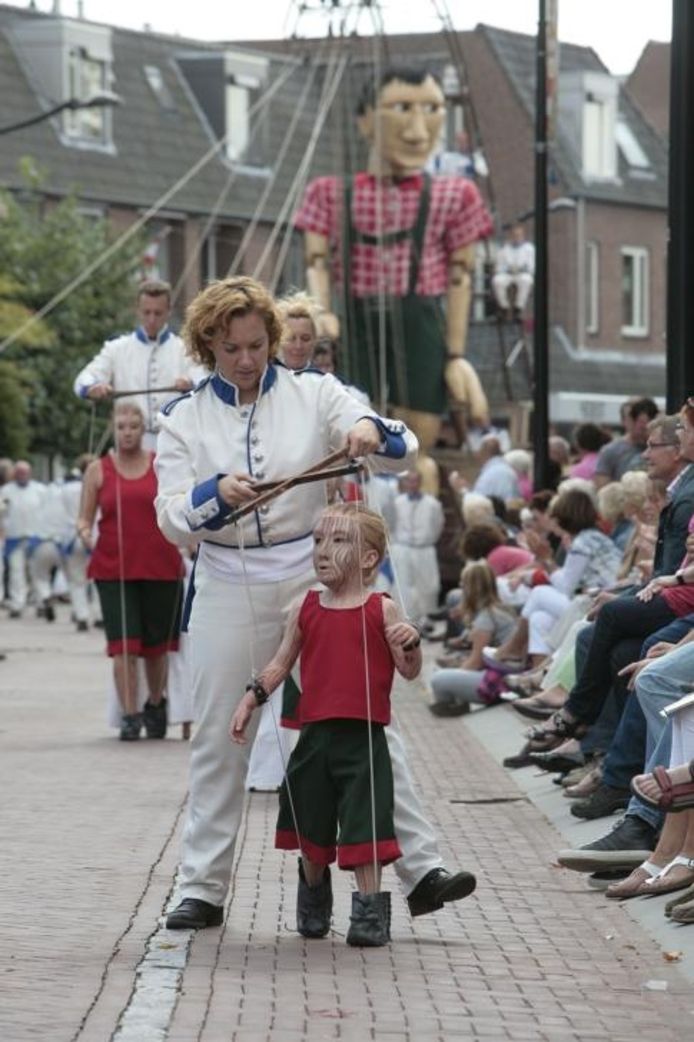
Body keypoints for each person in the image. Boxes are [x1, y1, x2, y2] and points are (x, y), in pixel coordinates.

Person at [155, 276, 476, 930]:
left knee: (363, 721)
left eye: (257, 345)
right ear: (208, 343)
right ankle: (204, 888)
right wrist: (216, 492)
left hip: (316, 575)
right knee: (221, 735)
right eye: (232, 347)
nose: (247, 359)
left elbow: (398, 446)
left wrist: (364, 427)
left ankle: (420, 870)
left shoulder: (314, 391)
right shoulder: (184, 418)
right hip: (226, 575)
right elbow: (170, 518)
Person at [230, 503, 422, 947]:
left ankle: (370, 912)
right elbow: (280, 664)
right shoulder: (306, 607)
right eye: (317, 540)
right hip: (313, 739)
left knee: (366, 827)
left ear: (370, 558)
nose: (322, 551)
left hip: (364, 740)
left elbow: (409, 670)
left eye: (338, 541)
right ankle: (313, 891)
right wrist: (251, 698)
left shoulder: (383, 608)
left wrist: (409, 645)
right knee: (310, 824)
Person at [296, 66, 494, 491]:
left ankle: (411, 493)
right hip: (350, 320)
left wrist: (456, 353)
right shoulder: (329, 193)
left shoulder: (455, 195)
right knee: (346, 414)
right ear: (365, 119)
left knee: (414, 436)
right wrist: (322, 311)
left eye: (432, 109)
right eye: (401, 109)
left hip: (420, 320)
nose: (418, 128)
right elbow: (317, 261)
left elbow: (461, 275)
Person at [78, 403, 184, 741]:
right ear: (113, 428)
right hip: (113, 568)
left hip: (161, 566)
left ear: (143, 429)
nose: (127, 432)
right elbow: (84, 518)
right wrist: (83, 533)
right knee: (123, 645)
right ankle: (129, 713)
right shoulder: (98, 469)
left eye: (133, 426)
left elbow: (178, 505)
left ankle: (156, 704)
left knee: (156, 647)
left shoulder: (161, 464)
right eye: (121, 426)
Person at [73, 279, 202, 448]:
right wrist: (92, 387)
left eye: (158, 313)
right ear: (137, 311)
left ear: (169, 311)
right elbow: (83, 380)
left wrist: (191, 383)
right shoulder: (117, 348)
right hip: (130, 448)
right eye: (146, 312)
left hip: (175, 444)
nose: (151, 319)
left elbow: (204, 378)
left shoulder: (185, 349)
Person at [429, 561, 517, 716]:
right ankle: (457, 701)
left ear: (471, 588)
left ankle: (453, 705)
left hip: (501, 681)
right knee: (451, 667)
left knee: (438, 679)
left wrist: (454, 675)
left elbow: (475, 662)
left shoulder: (487, 616)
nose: (461, 586)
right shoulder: (498, 608)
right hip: (509, 674)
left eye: (464, 583)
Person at [389, 471, 444, 628]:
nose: (412, 484)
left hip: (424, 548)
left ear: (420, 482)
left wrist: (427, 539)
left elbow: (438, 525)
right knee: (403, 584)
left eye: (415, 481)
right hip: (403, 547)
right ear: (405, 483)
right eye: (409, 481)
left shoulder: (433, 504)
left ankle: (426, 617)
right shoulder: (397, 502)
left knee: (428, 585)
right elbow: (392, 523)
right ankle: (405, 618)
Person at [2, 461, 45, 618]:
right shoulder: (6, 491)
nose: (22, 475)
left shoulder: (40, 490)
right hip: (14, 537)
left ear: (30, 473)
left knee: (37, 572)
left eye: (25, 472)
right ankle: (17, 603)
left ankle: (41, 602)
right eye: (19, 472)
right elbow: (2, 513)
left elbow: (46, 512)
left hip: (35, 537)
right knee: (16, 571)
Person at [592, 397, 658, 487]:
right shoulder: (610, 451)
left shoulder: (660, 447)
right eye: (633, 417)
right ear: (623, 421)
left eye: (645, 418)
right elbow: (602, 486)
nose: (641, 423)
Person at [449, 435, 521, 504]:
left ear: (484, 452)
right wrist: (469, 487)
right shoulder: (507, 470)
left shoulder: (491, 474)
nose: (476, 456)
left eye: (478, 452)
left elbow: (479, 506)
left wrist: (462, 489)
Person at [491, 223, 535, 319]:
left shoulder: (529, 248)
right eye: (514, 235)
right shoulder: (503, 249)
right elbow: (498, 267)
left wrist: (521, 269)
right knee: (497, 280)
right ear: (510, 236)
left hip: (522, 273)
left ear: (523, 235)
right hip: (508, 274)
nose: (516, 237)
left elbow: (532, 266)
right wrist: (507, 269)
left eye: (519, 235)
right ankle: (504, 307)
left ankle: (518, 308)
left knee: (526, 280)